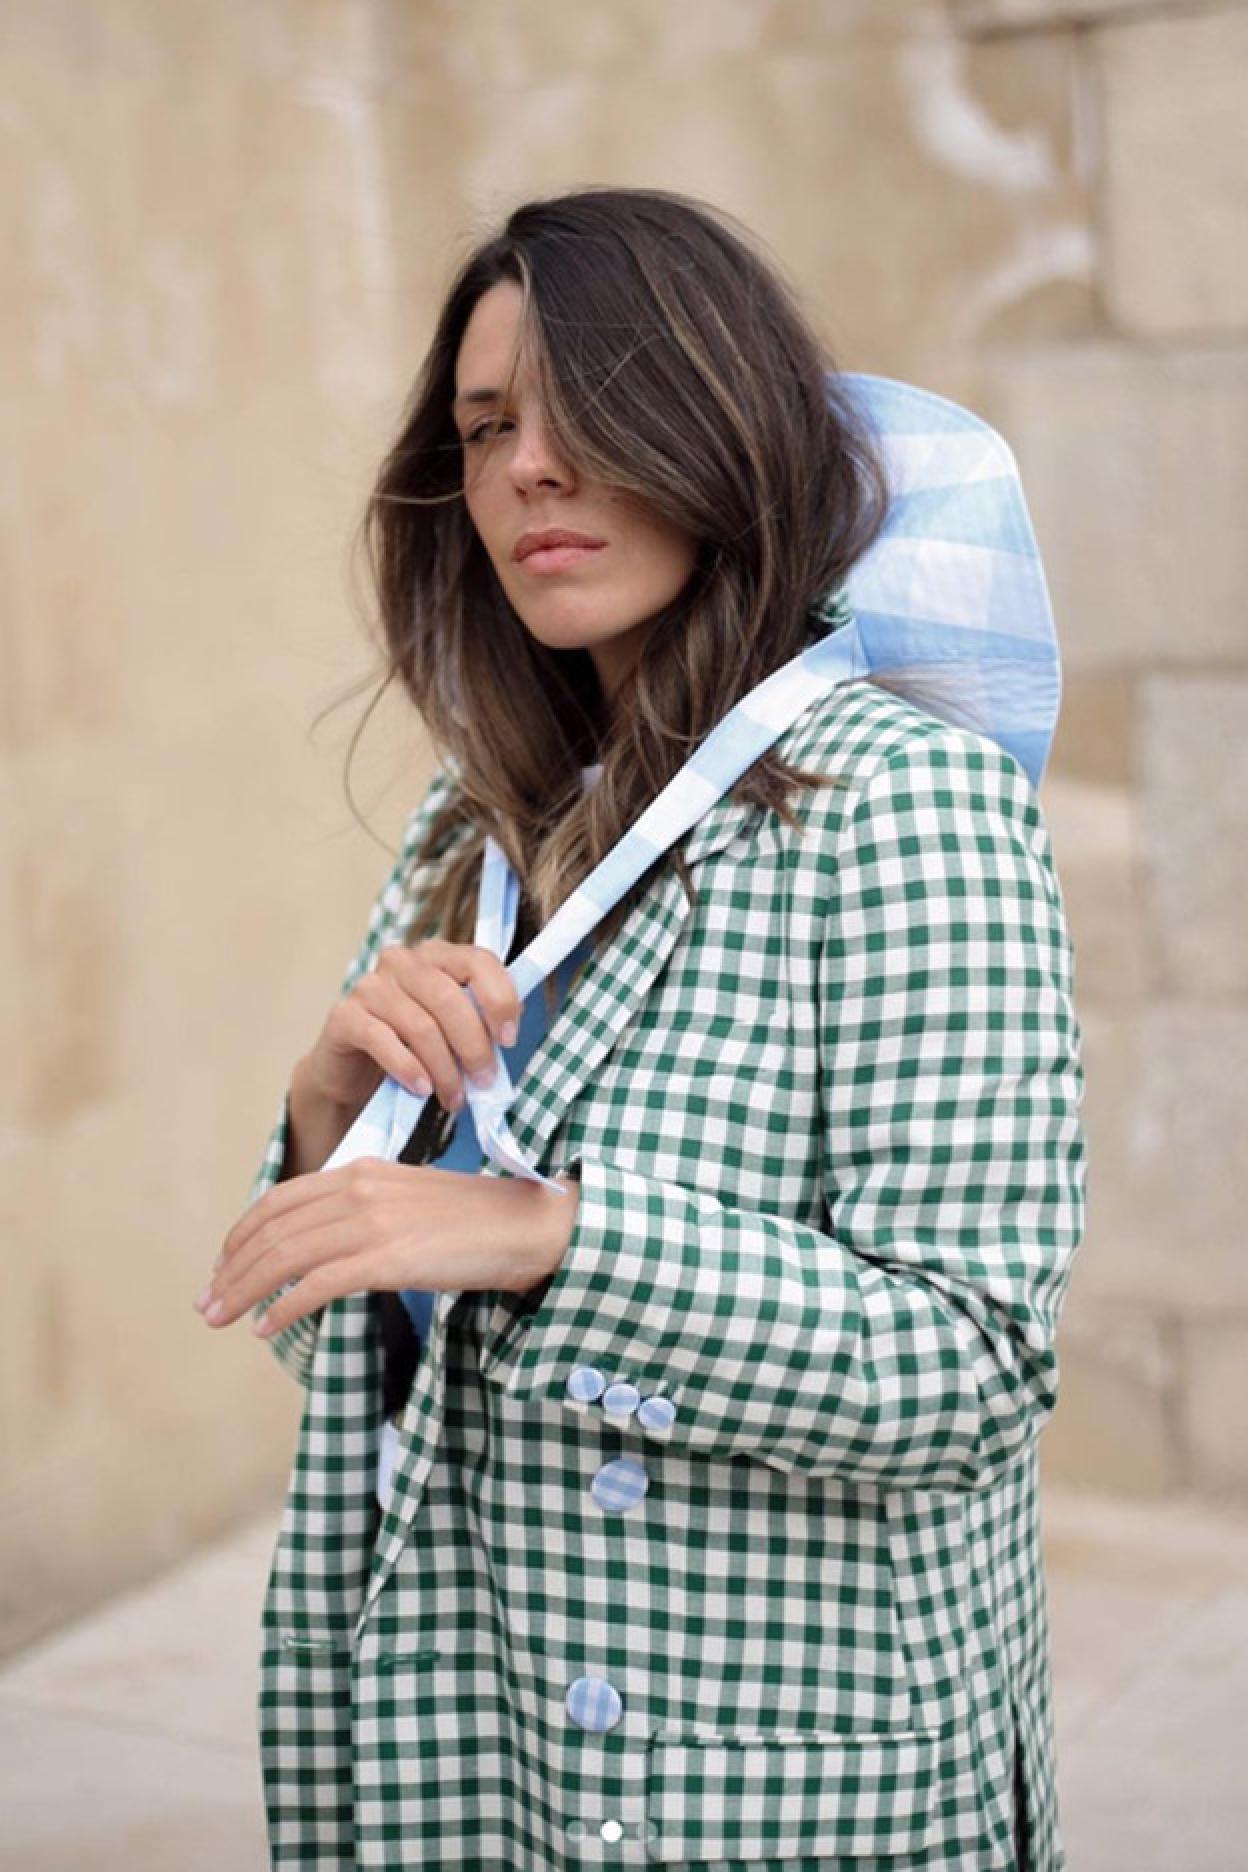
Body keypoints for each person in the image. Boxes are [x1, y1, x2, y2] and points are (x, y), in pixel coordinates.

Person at [197, 186, 1087, 1870]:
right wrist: (335, 1118)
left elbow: (972, 1368)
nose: (529, 466)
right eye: (484, 429)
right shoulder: (479, 825)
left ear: (721, 426)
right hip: (488, 1730)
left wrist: (552, 1233)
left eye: (588, 411)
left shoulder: (908, 807)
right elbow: (367, 1344)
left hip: (774, 1781)